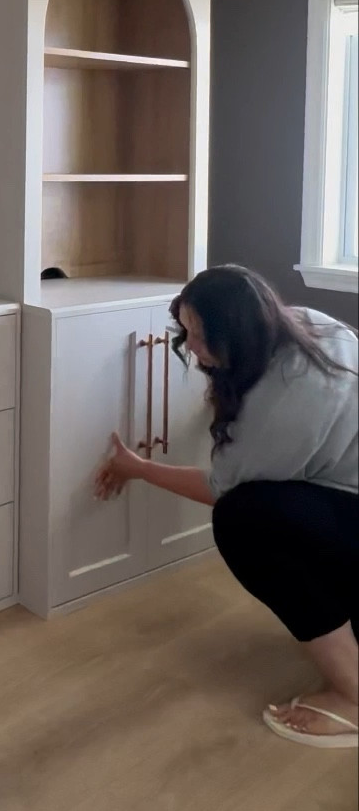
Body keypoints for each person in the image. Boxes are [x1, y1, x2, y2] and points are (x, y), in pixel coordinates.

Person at [95, 264, 358, 746]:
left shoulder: (287, 405)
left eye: (200, 335)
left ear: (238, 332)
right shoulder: (306, 325)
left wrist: (138, 466)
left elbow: (221, 488)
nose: (191, 347)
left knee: (243, 519)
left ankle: (354, 695)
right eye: (186, 331)